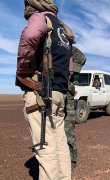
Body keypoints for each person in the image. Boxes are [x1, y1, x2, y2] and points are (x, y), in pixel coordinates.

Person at [16, 0, 75, 179]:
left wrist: (23, 68)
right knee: (59, 142)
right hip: (59, 93)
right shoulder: (63, 29)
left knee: (46, 148)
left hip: (40, 93)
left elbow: (30, 34)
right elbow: (70, 67)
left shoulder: (40, 18)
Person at [64, 46, 86, 169]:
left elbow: (80, 56)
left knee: (67, 127)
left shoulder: (62, 40)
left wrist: (72, 72)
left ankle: (71, 160)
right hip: (47, 88)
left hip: (65, 88)